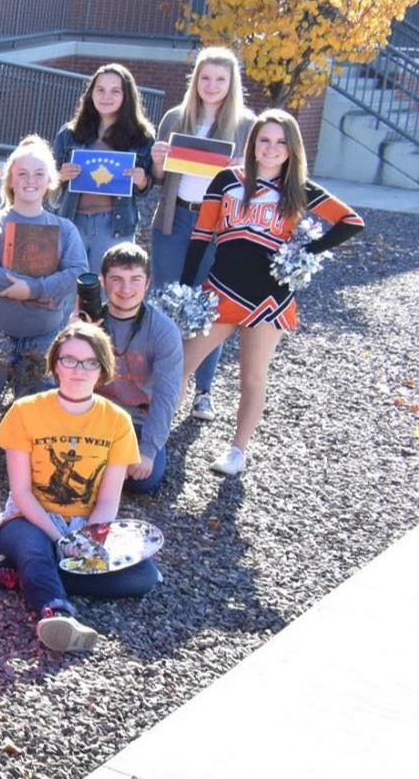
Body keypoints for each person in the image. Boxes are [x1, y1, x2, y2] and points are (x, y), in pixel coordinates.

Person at [178, 110, 364, 475]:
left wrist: (305, 253)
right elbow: (201, 235)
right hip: (221, 289)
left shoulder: (299, 189)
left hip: (270, 299)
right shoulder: (226, 180)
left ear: (292, 148)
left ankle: (237, 451)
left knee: (253, 376)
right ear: (253, 143)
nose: (272, 148)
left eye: (281, 142)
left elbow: (351, 222)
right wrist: (187, 286)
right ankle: (156, 439)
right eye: (265, 139)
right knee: (182, 364)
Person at [0, 323, 157, 653]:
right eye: (70, 360)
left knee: (144, 576)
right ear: (55, 364)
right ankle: (55, 612)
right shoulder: (25, 412)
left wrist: (84, 539)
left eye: (90, 362)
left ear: (103, 369)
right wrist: (62, 541)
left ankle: (15, 574)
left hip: (85, 525)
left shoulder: (118, 422)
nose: (79, 370)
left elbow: (107, 500)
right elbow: (21, 493)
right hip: (28, 518)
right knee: (36, 548)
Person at [149, 46, 251, 421]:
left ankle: (203, 392)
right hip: (175, 222)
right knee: (166, 303)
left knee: (210, 309)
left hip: (220, 229)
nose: (211, 85)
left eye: (220, 79)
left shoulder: (246, 126)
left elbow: (257, 184)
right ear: (196, 80)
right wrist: (158, 162)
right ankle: (159, 385)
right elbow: (160, 180)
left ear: (231, 83)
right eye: (205, 78)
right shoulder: (176, 118)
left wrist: (244, 172)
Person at [0, 136, 87, 422]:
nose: (31, 180)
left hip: (43, 339)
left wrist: (32, 289)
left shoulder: (64, 229)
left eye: (39, 173)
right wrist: (18, 286)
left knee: (37, 421)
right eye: (23, 174)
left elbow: (77, 271)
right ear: (11, 180)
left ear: (50, 180)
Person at [95, 242, 184, 496]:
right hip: (93, 415)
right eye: (117, 279)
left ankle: (107, 468)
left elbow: (167, 396)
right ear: (102, 281)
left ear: (147, 283)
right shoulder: (90, 319)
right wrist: (75, 335)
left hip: (137, 421)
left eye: (135, 279)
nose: (126, 289)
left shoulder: (163, 331)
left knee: (144, 480)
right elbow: (62, 380)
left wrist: (148, 450)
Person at [51, 63, 157, 272]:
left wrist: (142, 180)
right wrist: (60, 176)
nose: (106, 96)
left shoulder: (141, 138)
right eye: (100, 90)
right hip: (73, 220)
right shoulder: (69, 133)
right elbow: (49, 181)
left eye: (115, 91)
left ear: (127, 97)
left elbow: (145, 190)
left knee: (107, 289)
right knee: (67, 288)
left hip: (115, 226)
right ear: (91, 94)